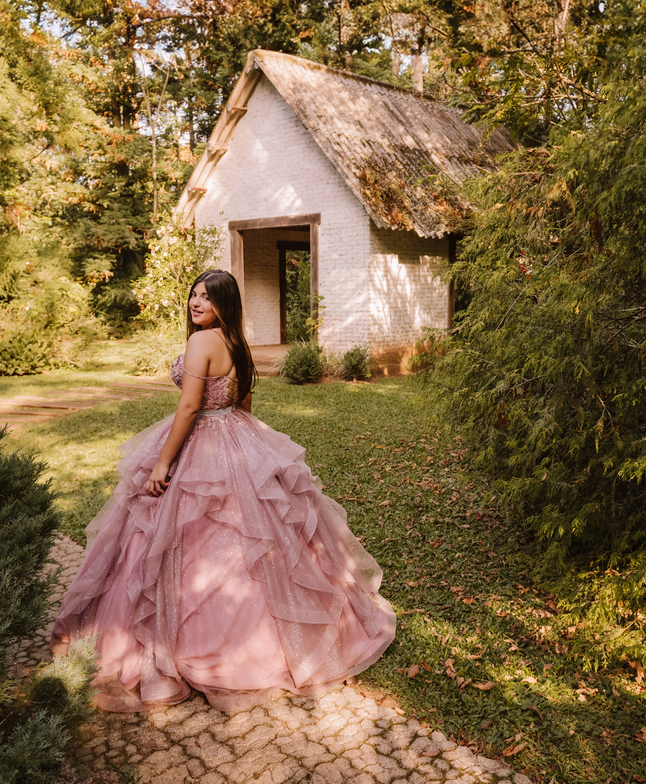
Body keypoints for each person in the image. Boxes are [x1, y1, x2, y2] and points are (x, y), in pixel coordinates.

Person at [50, 270, 396, 713]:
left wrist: (163, 462)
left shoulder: (202, 342)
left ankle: (187, 644)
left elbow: (191, 405)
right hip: (236, 435)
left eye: (207, 298)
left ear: (223, 304)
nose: (196, 303)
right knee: (256, 538)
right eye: (193, 294)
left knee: (181, 536)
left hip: (204, 440)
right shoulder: (236, 341)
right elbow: (244, 400)